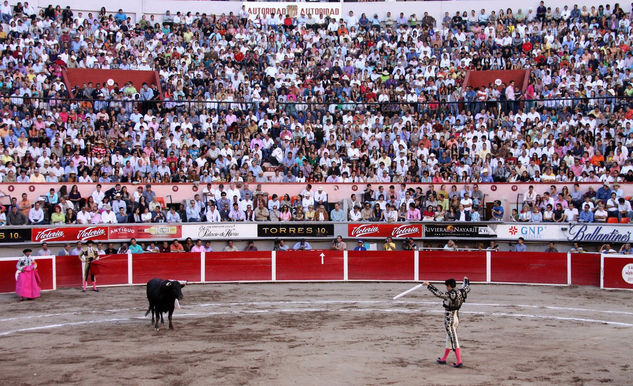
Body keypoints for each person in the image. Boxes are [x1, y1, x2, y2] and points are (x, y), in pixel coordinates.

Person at [422, 277, 470, 368]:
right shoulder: (462, 292)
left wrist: (429, 285)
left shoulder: (450, 294)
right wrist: (466, 280)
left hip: (450, 320)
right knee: (449, 338)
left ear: (449, 286)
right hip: (456, 318)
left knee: (453, 339)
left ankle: (459, 361)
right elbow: (467, 287)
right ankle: (443, 359)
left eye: (446, 286)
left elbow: (439, 294)